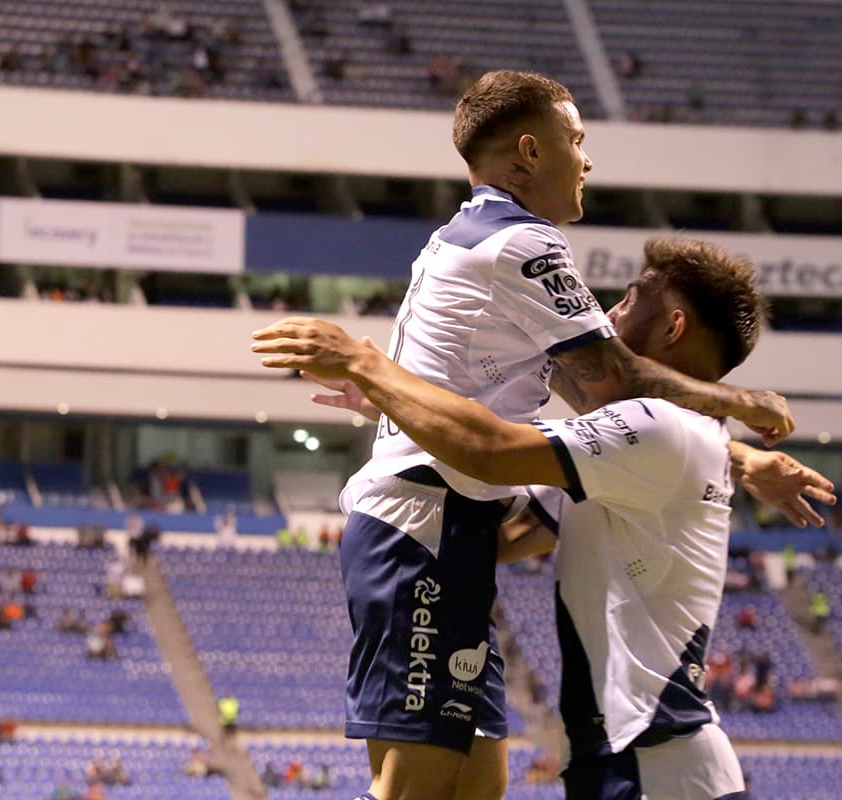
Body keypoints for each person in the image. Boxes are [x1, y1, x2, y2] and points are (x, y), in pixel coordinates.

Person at [252, 70, 795, 800]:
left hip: (453, 529)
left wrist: (391, 389)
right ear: (532, 153)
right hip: (426, 520)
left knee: (479, 784)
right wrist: (742, 405)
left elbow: (593, 404)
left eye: (632, 295)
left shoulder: (473, 237)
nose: (588, 159)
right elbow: (603, 390)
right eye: (578, 140)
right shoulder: (523, 245)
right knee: (416, 788)